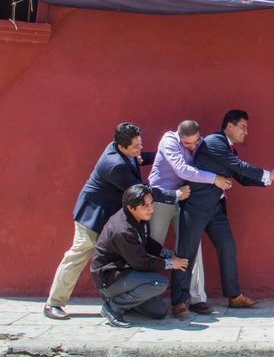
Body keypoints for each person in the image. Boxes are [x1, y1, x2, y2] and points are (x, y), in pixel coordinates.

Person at [44, 122, 189, 320]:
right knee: (78, 254)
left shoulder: (122, 150)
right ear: (121, 147)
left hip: (111, 215)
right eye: (136, 147)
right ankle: (54, 303)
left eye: (140, 144)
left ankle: (124, 298)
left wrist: (164, 154)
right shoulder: (115, 165)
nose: (140, 150)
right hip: (94, 216)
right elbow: (141, 191)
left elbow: (138, 159)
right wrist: (174, 194)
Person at [170, 109, 274, 318]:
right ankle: (179, 301)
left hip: (215, 208)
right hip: (196, 206)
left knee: (228, 247)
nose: (246, 132)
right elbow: (237, 166)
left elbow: (240, 176)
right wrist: (267, 174)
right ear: (229, 126)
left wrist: (269, 180)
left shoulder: (228, 148)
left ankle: (234, 296)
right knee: (186, 253)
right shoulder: (215, 142)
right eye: (243, 127)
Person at [148, 120, 232, 315]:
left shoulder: (201, 143)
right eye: (187, 144)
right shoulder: (168, 141)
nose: (193, 147)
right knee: (153, 246)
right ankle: (148, 297)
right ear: (179, 137)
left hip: (187, 199)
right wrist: (215, 179)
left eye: (196, 142)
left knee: (193, 246)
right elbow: (182, 170)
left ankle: (195, 297)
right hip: (162, 198)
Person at [91, 184, 189, 328]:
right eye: (145, 206)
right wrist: (170, 263)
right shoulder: (122, 230)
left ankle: (124, 301)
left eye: (151, 204)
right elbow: (141, 263)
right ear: (131, 208)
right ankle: (113, 306)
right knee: (159, 282)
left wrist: (164, 252)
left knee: (159, 312)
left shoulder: (139, 216)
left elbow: (145, 241)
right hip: (111, 278)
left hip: (127, 272)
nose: (151, 209)